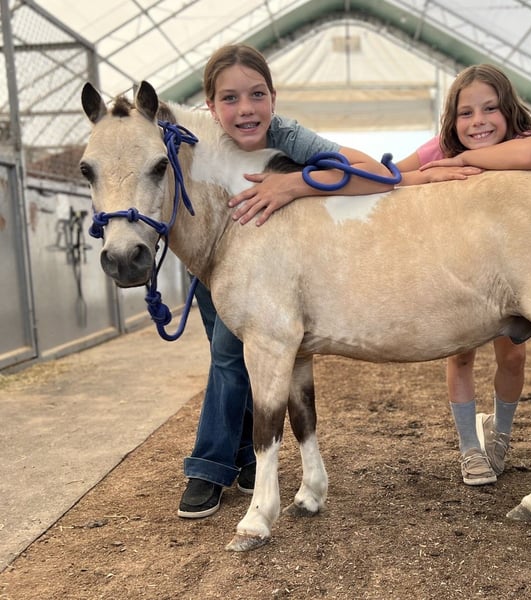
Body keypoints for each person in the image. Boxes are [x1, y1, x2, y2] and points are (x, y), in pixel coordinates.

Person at [179, 44, 395, 518]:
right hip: (212, 262)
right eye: (230, 98)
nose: (246, 109)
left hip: (266, 264)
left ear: (273, 99)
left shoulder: (286, 135)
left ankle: (210, 466)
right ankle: (241, 459)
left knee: (232, 356)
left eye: (257, 95)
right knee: (236, 358)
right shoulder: (195, 141)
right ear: (210, 106)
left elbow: (377, 174)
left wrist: (294, 184)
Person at [396, 64, 531, 486]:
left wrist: (463, 159)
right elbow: (389, 176)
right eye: (466, 113)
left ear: (508, 110)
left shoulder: (520, 142)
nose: (478, 121)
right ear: (453, 118)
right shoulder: (439, 148)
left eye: (490, 109)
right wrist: (429, 171)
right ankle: (469, 446)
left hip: (509, 277)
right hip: (459, 272)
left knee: (513, 356)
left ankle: (500, 435)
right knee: (460, 354)